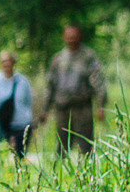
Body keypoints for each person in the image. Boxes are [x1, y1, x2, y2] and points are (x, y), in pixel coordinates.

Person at [41, 25, 106, 158]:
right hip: (62, 109)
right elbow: (50, 85)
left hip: (82, 108)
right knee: (62, 146)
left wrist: (101, 105)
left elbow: (99, 82)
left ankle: (88, 173)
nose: (72, 40)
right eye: (69, 37)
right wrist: (45, 109)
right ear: (64, 37)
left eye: (74, 37)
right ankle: (60, 173)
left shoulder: (88, 57)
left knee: (86, 146)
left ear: (80, 37)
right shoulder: (58, 59)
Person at [0, 51, 33, 160]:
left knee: (21, 155)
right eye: (3, 62)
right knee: (1, 156)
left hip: (21, 124)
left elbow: (28, 101)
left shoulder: (22, 81)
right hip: (3, 124)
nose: (6, 65)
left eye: (9, 62)